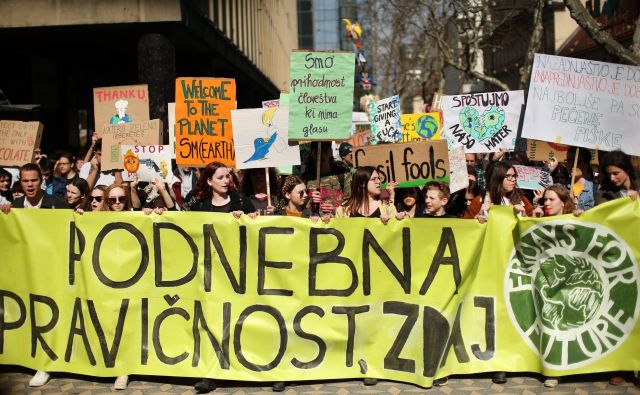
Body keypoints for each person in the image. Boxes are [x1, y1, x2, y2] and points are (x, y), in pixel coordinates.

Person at [0, 163, 68, 388]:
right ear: (20, 182)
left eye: (34, 180)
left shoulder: (57, 205)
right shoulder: (14, 207)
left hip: (51, 270)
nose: (30, 185)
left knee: (48, 313)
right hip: (25, 272)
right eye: (25, 181)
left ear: (42, 181)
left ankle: (45, 363)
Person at [465, 162, 533, 222]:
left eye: (514, 176)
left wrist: (525, 217)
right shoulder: (479, 201)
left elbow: (532, 225)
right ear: (497, 178)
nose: (513, 179)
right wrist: (477, 219)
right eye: (508, 176)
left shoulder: (521, 200)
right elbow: (466, 228)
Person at [335, 166, 401, 224]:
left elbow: (397, 229)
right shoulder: (343, 209)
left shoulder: (387, 206)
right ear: (362, 183)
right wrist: (327, 221)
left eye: (378, 178)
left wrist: (394, 220)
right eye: (373, 179)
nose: (378, 182)